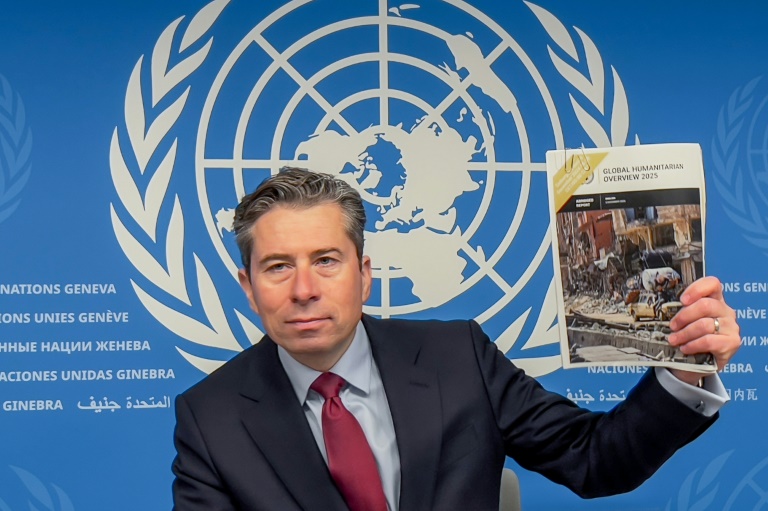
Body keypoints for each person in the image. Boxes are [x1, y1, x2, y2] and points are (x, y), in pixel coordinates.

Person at [172, 167, 739, 511]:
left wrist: (683, 369)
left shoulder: (458, 358)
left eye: (326, 261)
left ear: (364, 275)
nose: (304, 290)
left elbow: (596, 461)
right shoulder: (210, 417)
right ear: (249, 288)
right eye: (277, 267)